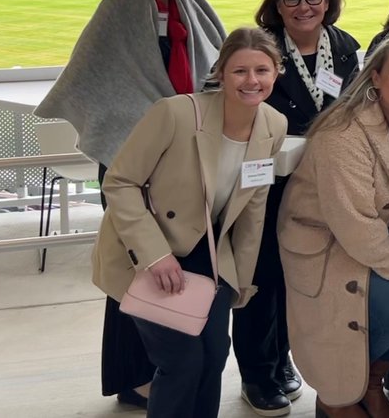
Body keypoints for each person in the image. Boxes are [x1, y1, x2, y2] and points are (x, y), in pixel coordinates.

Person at [37, 0, 226, 410]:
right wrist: (151, 127)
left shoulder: (195, 4)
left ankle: (170, 368)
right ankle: (133, 376)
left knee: (180, 268)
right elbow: (93, 80)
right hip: (130, 159)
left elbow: (218, 73)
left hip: (190, 159)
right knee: (134, 268)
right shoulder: (116, 10)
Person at [92, 28, 288, 418]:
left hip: (212, 257)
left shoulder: (273, 125)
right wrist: (155, 255)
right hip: (150, 251)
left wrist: (241, 282)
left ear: (276, 72)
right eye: (240, 71)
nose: (252, 81)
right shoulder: (177, 113)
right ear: (221, 73)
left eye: (262, 70)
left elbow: (252, 208)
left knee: (213, 357)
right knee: (182, 361)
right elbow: (120, 181)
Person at [279, 34, 389, 418]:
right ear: (375, 77)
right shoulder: (343, 131)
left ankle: (372, 382)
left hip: (373, 235)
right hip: (322, 237)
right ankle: (336, 395)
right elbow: (352, 219)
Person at [234, 0, 361, 415]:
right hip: (265, 185)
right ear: (277, 4)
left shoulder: (345, 48)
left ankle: (281, 359)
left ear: (328, 1)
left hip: (320, 185)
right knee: (259, 280)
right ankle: (256, 373)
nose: (304, 7)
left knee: (298, 279)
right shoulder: (260, 48)